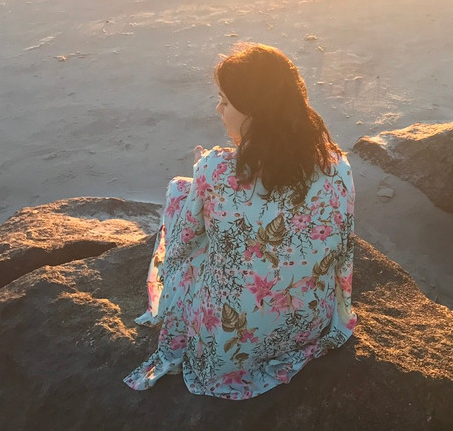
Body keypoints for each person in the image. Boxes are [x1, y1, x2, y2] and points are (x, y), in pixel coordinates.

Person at [125, 44, 356, 399]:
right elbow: (343, 252)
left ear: (255, 113)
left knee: (180, 196)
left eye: (226, 102)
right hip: (308, 324)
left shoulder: (216, 169)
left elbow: (184, 244)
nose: (218, 110)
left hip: (229, 343)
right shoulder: (337, 168)